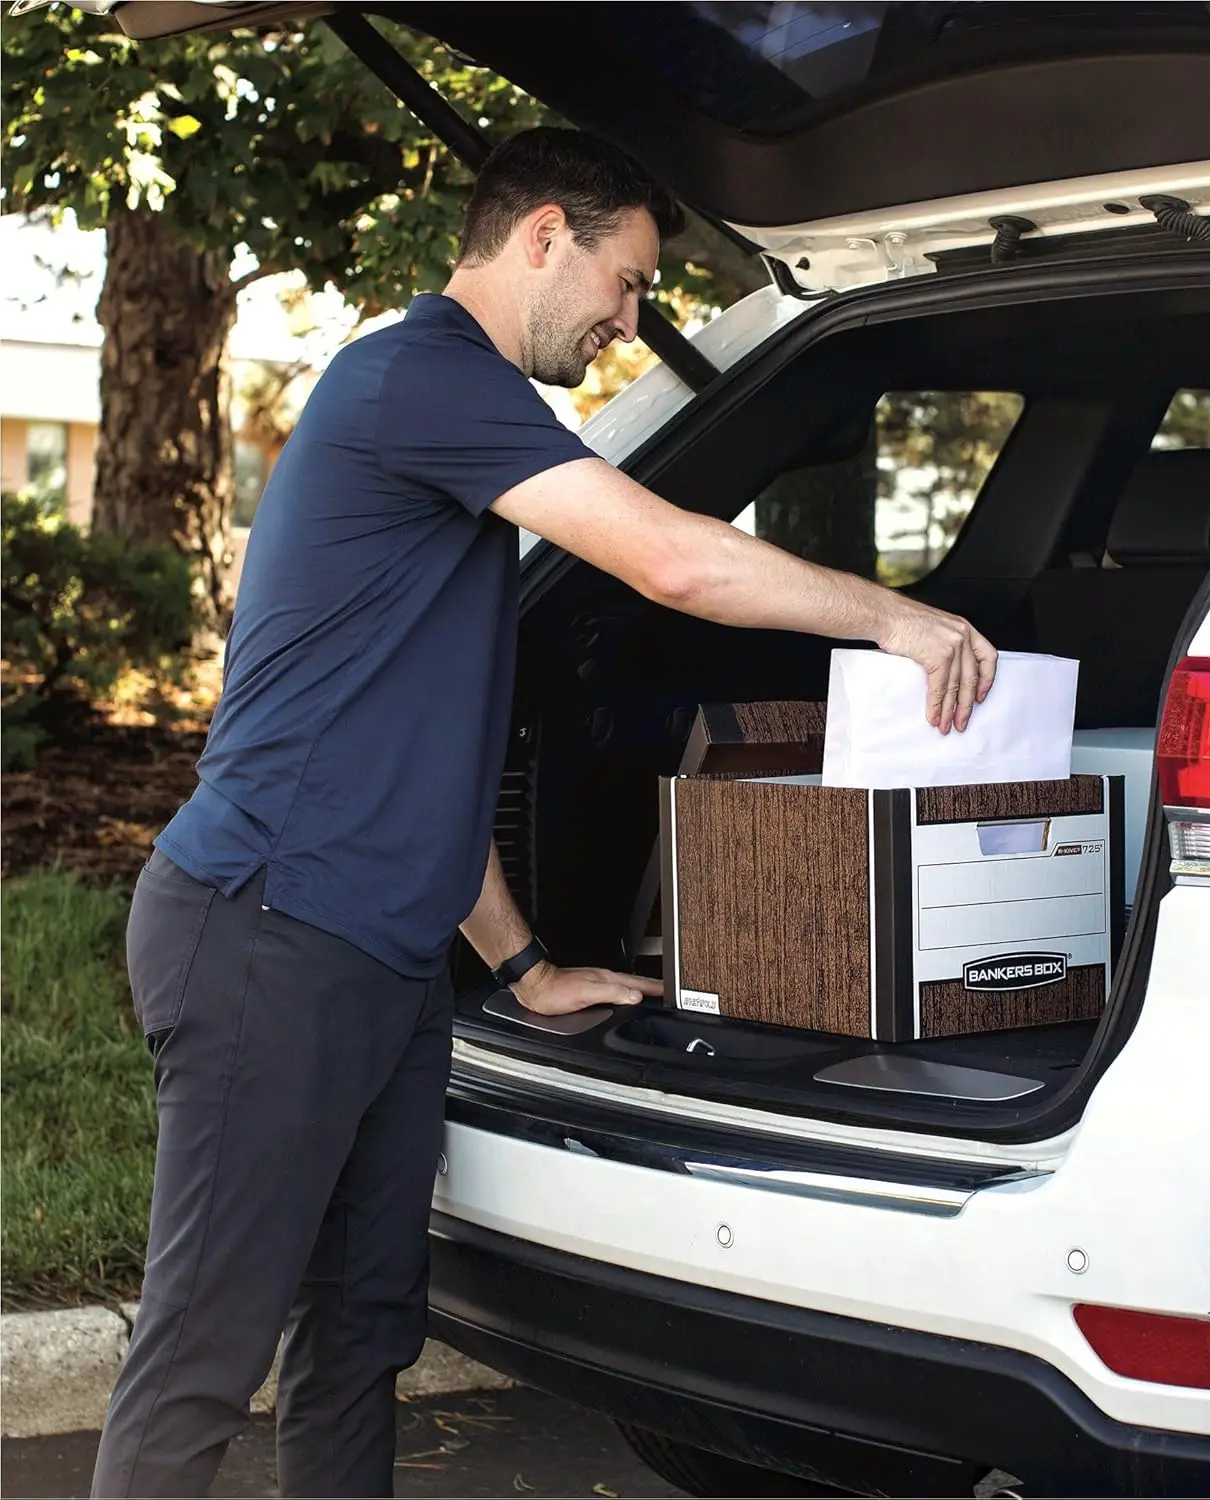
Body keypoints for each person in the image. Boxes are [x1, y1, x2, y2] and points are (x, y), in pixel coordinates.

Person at [90, 126, 998, 1499]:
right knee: (201, 1363)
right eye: (624, 282)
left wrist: (517, 961)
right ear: (539, 239)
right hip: (267, 935)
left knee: (360, 1342)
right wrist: (901, 622)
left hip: (381, 960)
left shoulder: (463, 412)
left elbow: (413, 744)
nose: (630, 322)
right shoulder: (418, 380)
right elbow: (675, 567)